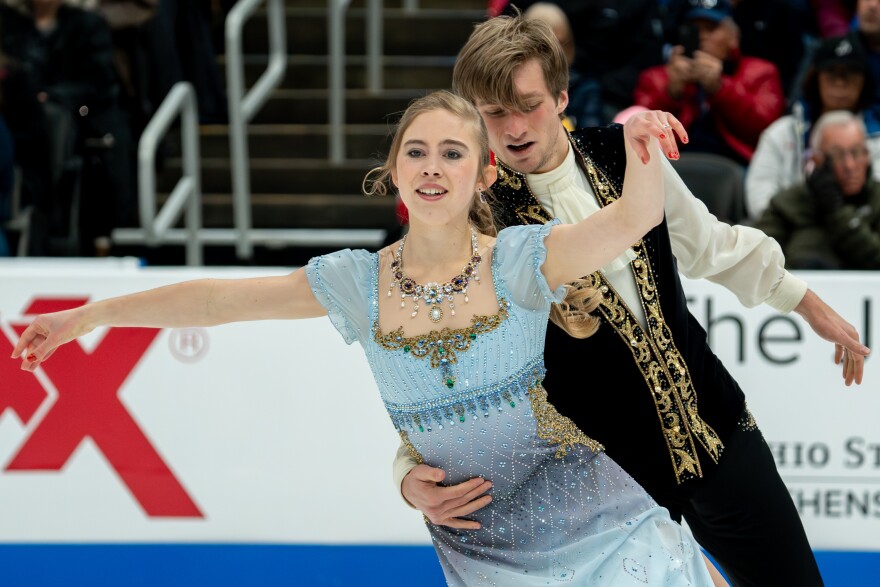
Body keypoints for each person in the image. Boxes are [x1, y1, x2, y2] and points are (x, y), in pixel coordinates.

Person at [11, 90, 723, 585]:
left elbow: (630, 220)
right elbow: (214, 299)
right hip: (487, 554)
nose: (433, 166)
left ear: (483, 174)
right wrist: (89, 317)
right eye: (416, 151)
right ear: (394, 172)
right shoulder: (356, 283)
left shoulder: (521, 257)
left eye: (452, 152)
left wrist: (644, 138)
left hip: (601, 517)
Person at [394, 12, 869, 587]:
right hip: (610, 486)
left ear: (563, 95)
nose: (514, 127)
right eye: (494, 113)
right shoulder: (476, 222)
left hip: (716, 432)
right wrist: (406, 470)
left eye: (529, 104)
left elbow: (712, 246)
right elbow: (435, 357)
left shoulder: (629, 154)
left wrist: (811, 307)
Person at [633, 0, 785, 165]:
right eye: (694, 29)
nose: (702, 36)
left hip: (736, 164)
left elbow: (765, 131)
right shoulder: (657, 76)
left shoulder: (761, 72)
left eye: (711, 29)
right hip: (671, 164)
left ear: (733, 37)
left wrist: (720, 88)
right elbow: (639, 133)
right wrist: (672, 91)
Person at [746, 34, 879, 220]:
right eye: (831, 73)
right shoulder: (782, 133)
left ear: (865, 82)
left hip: (856, 237)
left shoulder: (876, 138)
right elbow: (759, 199)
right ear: (815, 78)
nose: (840, 83)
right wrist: (803, 225)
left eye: (849, 74)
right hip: (787, 236)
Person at [755, 110, 880, 268]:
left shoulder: (877, 199)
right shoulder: (787, 203)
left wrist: (837, 212)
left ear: (867, 156)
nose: (850, 165)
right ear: (817, 160)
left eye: (856, 152)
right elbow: (759, 262)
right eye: (837, 155)